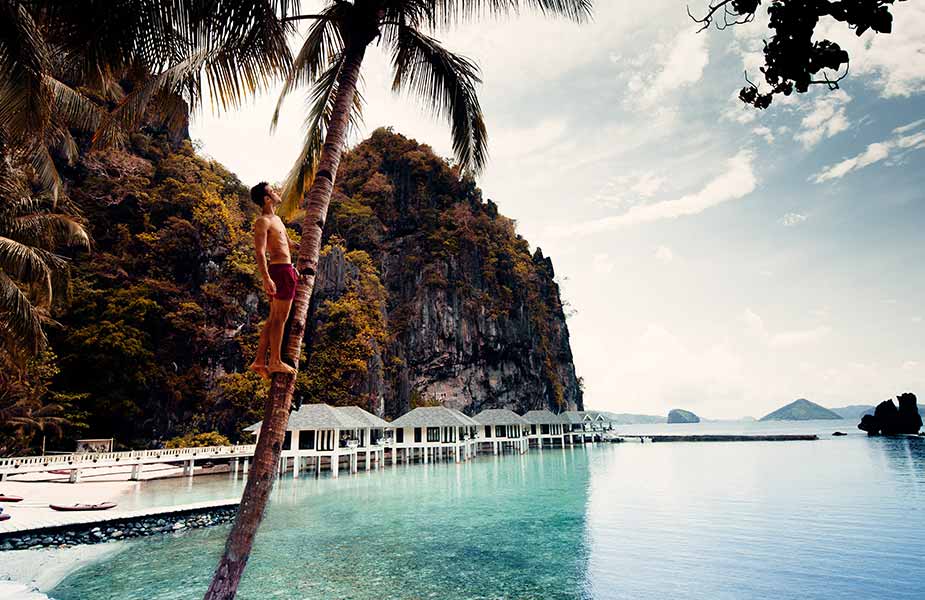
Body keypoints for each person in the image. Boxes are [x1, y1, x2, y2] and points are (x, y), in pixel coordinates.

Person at [248, 182, 298, 378]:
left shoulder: (277, 219)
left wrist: (306, 245)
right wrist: (266, 278)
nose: (277, 193)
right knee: (279, 319)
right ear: (267, 199)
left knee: (272, 319)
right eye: (273, 191)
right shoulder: (263, 222)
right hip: (279, 271)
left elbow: (287, 243)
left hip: (285, 269)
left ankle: (259, 360)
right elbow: (260, 252)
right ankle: (275, 361)